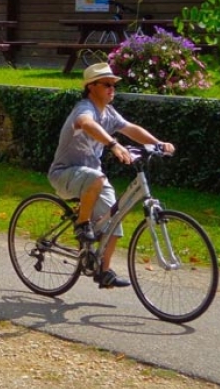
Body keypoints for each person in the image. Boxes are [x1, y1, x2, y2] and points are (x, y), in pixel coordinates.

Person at [48, 62, 175, 289]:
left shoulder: (108, 113)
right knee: (97, 178)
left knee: (115, 215)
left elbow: (130, 128)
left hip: (90, 177)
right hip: (64, 174)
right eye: (107, 84)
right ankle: (82, 224)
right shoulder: (84, 108)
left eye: (114, 84)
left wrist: (158, 144)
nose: (112, 88)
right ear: (91, 87)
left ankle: (102, 271)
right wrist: (113, 144)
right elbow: (85, 124)